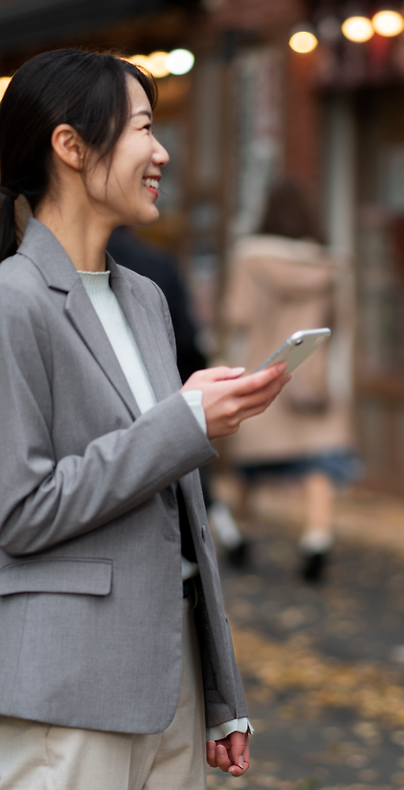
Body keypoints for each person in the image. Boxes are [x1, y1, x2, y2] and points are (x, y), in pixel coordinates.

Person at [0, 48, 289, 790]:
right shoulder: (7, 305)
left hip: (168, 674)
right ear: (70, 146)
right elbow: (20, 511)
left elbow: (176, 514)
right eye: (142, 129)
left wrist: (219, 692)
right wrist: (184, 421)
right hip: (68, 678)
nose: (161, 152)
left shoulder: (144, 299)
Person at [221, 180, 361, 583]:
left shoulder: (249, 260)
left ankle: (241, 533)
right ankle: (316, 539)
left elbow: (238, 317)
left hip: (264, 371)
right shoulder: (328, 266)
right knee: (318, 462)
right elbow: (341, 321)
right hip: (310, 376)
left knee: (249, 466)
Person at [107, 226, 249, 567]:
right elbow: (186, 336)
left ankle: (223, 533)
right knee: (186, 465)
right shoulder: (160, 265)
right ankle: (225, 533)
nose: (158, 168)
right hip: (167, 381)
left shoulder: (86, 270)